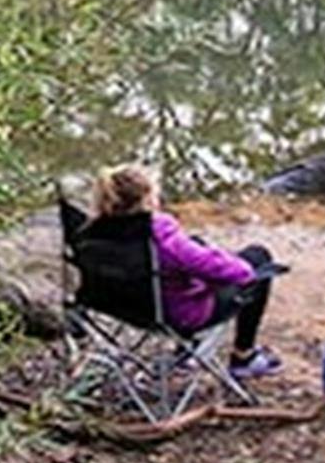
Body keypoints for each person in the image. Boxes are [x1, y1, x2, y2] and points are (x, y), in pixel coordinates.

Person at [83, 162, 283, 378]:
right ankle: (243, 356)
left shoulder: (90, 232)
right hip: (177, 314)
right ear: (148, 199)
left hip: (124, 307)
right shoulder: (158, 235)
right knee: (258, 258)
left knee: (194, 244)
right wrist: (238, 266)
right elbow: (238, 272)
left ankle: (186, 351)